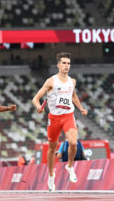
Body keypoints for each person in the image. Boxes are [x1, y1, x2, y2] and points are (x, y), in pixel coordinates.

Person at [32, 52, 88, 192]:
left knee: (73, 143)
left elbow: (73, 95)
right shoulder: (51, 81)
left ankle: (69, 166)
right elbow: (35, 98)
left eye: (68, 63)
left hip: (68, 116)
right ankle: (51, 176)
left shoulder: (72, 81)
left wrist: (80, 108)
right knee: (52, 148)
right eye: (63, 63)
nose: (66, 66)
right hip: (54, 119)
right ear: (58, 65)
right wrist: (39, 107)